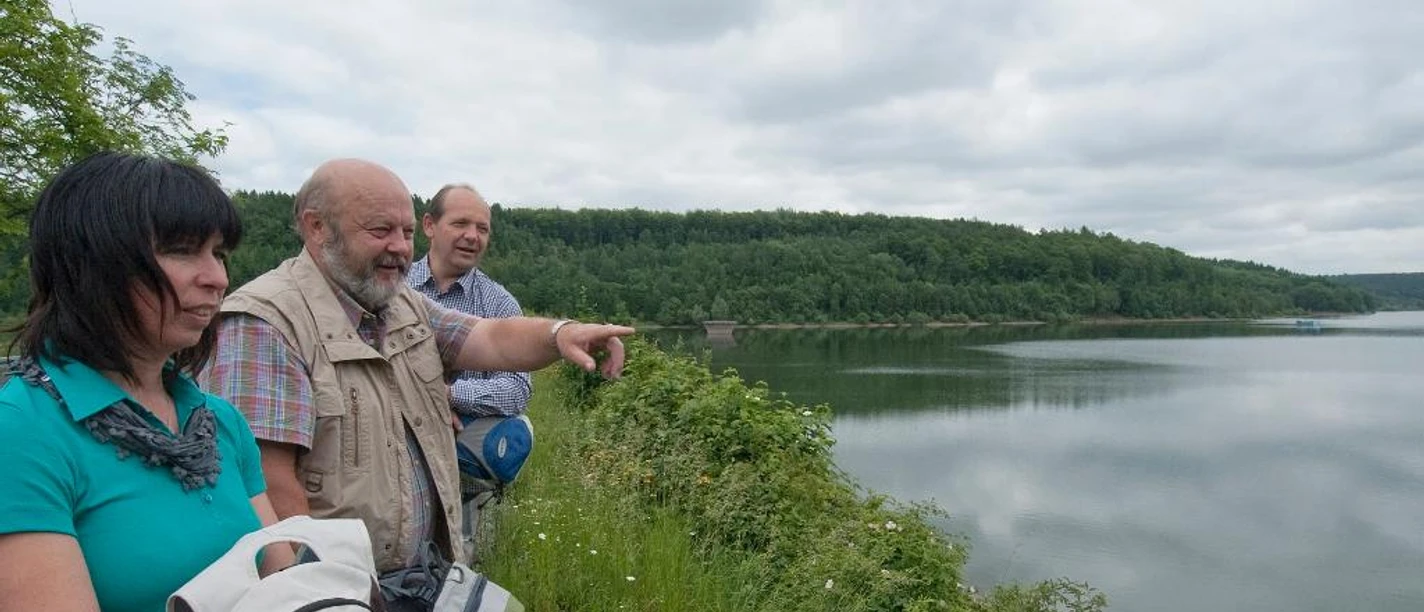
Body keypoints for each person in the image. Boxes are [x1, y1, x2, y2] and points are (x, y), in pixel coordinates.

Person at [198, 158, 632, 576]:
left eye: (406, 233)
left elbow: (488, 338)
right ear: (317, 228)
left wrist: (561, 333)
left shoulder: (397, 301)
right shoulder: (265, 323)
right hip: (346, 589)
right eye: (381, 230)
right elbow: (267, 488)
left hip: (422, 576)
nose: (401, 248)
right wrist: (324, 592)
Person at [0, 152, 292, 611]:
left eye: (218, 253)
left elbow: (281, 579)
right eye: (181, 250)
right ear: (93, 264)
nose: (218, 277)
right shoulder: (21, 431)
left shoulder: (218, 421)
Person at [408, 183, 530, 420]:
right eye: (460, 223)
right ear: (429, 225)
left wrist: (449, 395)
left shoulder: (499, 304)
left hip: (461, 450)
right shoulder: (395, 287)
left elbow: (517, 388)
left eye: (482, 229)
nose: (472, 236)